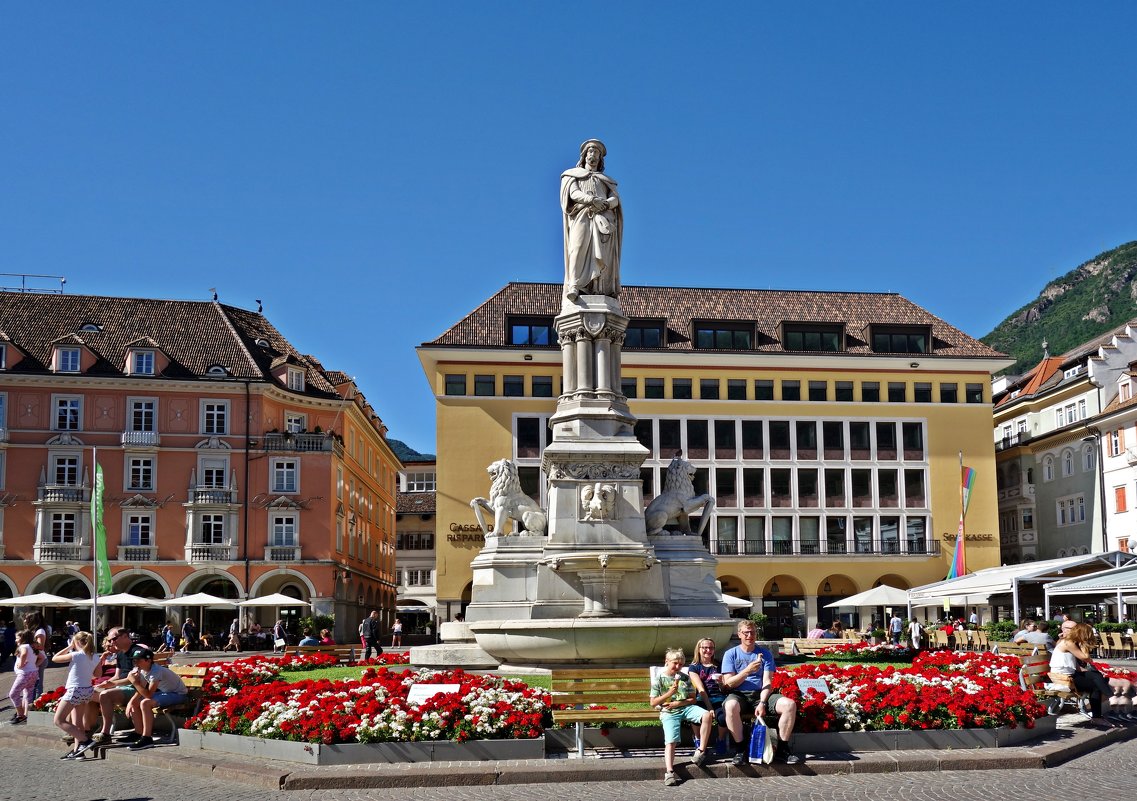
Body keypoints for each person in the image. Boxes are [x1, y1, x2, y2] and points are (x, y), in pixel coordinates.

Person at [720, 618, 802, 766]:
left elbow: (767, 682)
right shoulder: (730, 654)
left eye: (752, 633)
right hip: (739, 694)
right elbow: (729, 683)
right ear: (739, 634)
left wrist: (763, 702)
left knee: (789, 705)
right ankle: (740, 750)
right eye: (746, 633)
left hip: (761, 693)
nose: (749, 636)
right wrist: (748, 670)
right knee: (730, 706)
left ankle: (783, 749)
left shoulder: (765, 654)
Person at [561, 139, 621, 304]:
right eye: (590, 152)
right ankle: (574, 285)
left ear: (600, 158)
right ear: (584, 155)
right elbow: (573, 194)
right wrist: (591, 200)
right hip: (582, 215)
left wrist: (606, 204)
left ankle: (598, 287)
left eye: (596, 153)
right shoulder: (573, 175)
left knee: (602, 254)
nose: (593, 155)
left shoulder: (606, 180)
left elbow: (615, 199)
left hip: (602, 218)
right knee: (577, 248)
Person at [651, 647, 713, 786]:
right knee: (671, 741)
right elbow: (653, 702)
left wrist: (679, 703)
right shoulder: (659, 679)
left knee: (707, 715)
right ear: (667, 662)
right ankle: (669, 772)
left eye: (681, 664)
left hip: (685, 707)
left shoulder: (685, 678)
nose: (678, 667)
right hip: (669, 711)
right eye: (675, 663)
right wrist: (669, 694)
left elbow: (693, 699)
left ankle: (701, 751)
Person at [1049, 620, 1121, 725]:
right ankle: (1101, 711)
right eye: (1074, 629)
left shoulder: (1068, 641)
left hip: (1069, 674)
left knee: (1096, 675)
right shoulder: (1067, 642)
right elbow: (1086, 658)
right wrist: (1083, 642)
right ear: (1066, 630)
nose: (1076, 631)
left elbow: (1073, 662)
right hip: (1062, 678)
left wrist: (1084, 671)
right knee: (1095, 685)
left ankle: (1106, 704)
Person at [122, 647, 187, 750]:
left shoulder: (156, 671)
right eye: (134, 660)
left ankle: (146, 738)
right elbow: (141, 690)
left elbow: (148, 695)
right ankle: (138, 733)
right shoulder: (144, 671)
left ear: (148, 660)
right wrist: (131, 702)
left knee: (145, 703)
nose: (135, 663)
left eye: (138, 660)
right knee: (137, 702)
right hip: (166, 693)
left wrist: (134, 682)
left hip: (178, 694)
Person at [52, 631, 100, 759]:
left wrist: (69, 647)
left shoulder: (76, 655)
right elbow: (98, 675)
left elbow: (54, 658)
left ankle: (85, 741)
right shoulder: (95, 656)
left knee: (59, 720)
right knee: (78, 722)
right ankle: (78, 752)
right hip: (87, 690)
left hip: (75, 690)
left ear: (76, 642)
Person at [90, 627, 140, 744]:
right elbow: (117, 676)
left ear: (125, 637)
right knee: (88, 693)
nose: (111, 642)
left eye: (113, 639)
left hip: (135, 689)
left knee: (105, 695)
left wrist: (111, 684)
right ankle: (87, 729)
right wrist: (103, 684)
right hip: (121, 687)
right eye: (110, 640)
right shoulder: (120, 654)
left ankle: (106, 733)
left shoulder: (137, 652)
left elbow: (135, 679)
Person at [687, 637, 727, 748]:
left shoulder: (719, 665)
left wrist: (720, 683)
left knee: (723, 718)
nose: (708, 650)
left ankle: (721, 739)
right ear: (698, 649)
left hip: (718, 698)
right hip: (702, 698)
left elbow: (724, 689)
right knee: (696, 716)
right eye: (704, 648)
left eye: (711, 648)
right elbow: (701, 689)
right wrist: (710, 708)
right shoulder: (694, 667)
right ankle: (698, 738)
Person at [7, 629, 39, 724]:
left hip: (25, 674)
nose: (15, 640)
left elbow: (24, 653)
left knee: (13, 694)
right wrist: (34, 664)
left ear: (22, 638)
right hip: (33, 673)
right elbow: (41, 656)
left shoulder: (23, 646)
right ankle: (26, 715)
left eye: (17, 638)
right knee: (28, 694)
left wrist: (20, 664)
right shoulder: (32, 646)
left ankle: (20, 715)